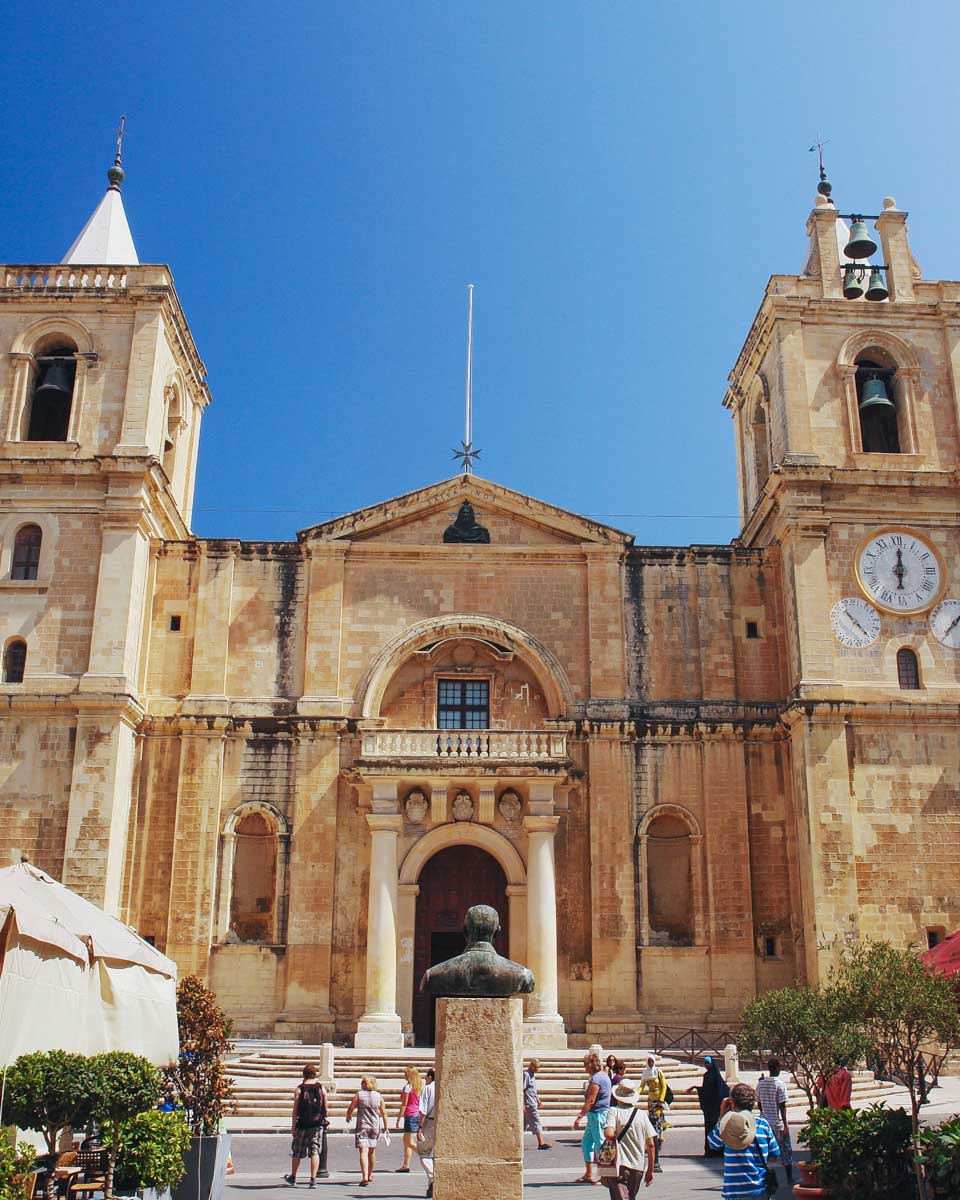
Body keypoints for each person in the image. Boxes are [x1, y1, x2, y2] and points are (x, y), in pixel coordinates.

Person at [706, 1082, 780, 1199]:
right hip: (759, 1190)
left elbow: (712, 1144)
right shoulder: (763, 1124)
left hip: (734, 1192)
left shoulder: (727, 1125)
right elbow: (774, 1155)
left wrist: (721, 1116)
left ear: (732, 1103)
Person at [602, 1078, 657, 1199]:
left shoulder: (613, 1111)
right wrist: (650, 1170)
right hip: (637, 1166)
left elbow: (608, 1133)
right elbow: (651, 1145)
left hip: (618, 1164)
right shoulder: (642, 1114)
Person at [284, 1064, 329, 1188]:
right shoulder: (321, 1088)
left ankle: (293, 1176)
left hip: (302, 1124)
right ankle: (313, 1179)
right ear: (315, 1074)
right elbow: (326, 1106)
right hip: (317, 1124)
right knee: (315, 1151)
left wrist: (293, 1126)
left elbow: (295, 1110)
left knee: (297, 1151)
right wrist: (324, 1118)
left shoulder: (299, 1089)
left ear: (304, 1074)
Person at [573, 1052, 612, 1184]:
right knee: (586, 1143)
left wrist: (579, 1117)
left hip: (598, 1115)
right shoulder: (604, 1076)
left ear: (591, 1064)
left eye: (585, 1065)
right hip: (596, 1115)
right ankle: (589, 1173)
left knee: (599, 1145)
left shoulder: (596, 1079)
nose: (584, 1068)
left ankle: (604, 1175)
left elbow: (590, 1100)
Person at [345, 1074, 388, 1188]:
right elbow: (384, 1113)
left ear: (366, 1083)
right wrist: (386, 1127)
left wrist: (348, 1115)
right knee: (372, 1152)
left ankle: (364, 1177)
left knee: (363, 1151)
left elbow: (351, 1107)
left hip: (363, 1126)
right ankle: (370, 1174)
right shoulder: (379, 1096)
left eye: (363, 1081)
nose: (361, 1083)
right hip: (375, 1126)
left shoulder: (359, 1095)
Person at [756, 1059, 793, 1186]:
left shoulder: (761, 1084)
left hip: (764, 1123)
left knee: (765, 1153)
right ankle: (789, 1178)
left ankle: (765, 1179)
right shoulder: (780, 1084)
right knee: (786, 1152)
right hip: (778, 1124)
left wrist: (763, 1114)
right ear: (777, 1068)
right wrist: (786, 1124)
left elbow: (759, 1103)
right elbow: (782, 1106)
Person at [687, 1055, 729, 1158]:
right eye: (705, 1063)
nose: (706, 1065)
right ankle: (710, 1150)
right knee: (709, 1128)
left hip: (716, 1108)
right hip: (709, 1109)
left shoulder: (716, 1076)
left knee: (717, 1128)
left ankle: (718, 1149)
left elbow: (721, 1091)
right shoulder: (706, 1075)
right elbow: (706, 1090)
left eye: (708, 1063)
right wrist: (696, 1088)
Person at [640, 1055, 669, 1173]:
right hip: (650, 1102)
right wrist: (635, 1094)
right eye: (649, 1061)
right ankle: (656, 1142)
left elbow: (664, 1086)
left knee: (657, 1123)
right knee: (652, 1121)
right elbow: (641, 1086)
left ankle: (658, 1140)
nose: (651, 1063)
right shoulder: (645, 1073)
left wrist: (661, 1099)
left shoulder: (658, 1072)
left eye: (652, 1061)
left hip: (658, 1102)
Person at [395, 1065, 422, 1172]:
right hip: (416, 1114)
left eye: (406, 1073)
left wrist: (398, 1118)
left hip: (410, 1115)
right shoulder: (419, 1086)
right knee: (407, 1141)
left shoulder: (408, 1087)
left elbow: (404, 1104)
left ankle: (426, 1156)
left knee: (409, 1141)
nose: (404, 1075)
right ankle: (406, 1164)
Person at [416, 1067, 436, 1198]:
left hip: (429, 1122)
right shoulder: (443, 1085)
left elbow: (423, 1111)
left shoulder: (428, 1088)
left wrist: (419, 1128)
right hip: (443, 1122)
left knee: (423, 1152)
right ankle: (431, 1186)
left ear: (429, 1077)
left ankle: (433, 1177)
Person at [522, 1059, 551, 1150]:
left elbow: (533, 1090)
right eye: (535, 1067)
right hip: (529, 1104)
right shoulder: (526, 1075)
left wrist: (538, 1100)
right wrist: (523, 1104)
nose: (537, 1069)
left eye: (538, 1067)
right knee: (536, 1121)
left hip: (533, 1102)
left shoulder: (532, 1075)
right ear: (531, 1065)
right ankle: (541, 1143)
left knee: (523, 1124)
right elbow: (522, 1089)